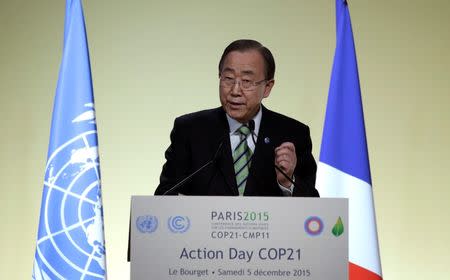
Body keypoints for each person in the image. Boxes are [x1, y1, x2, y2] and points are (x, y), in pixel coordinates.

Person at [154, 39, 319, 197]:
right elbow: (165, 195)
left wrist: (286, 182)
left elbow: (314, 210)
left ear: (267, 87)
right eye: (228, 79)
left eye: (247, 81)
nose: (235, 90)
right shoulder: (190, 130)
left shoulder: (293, 134)